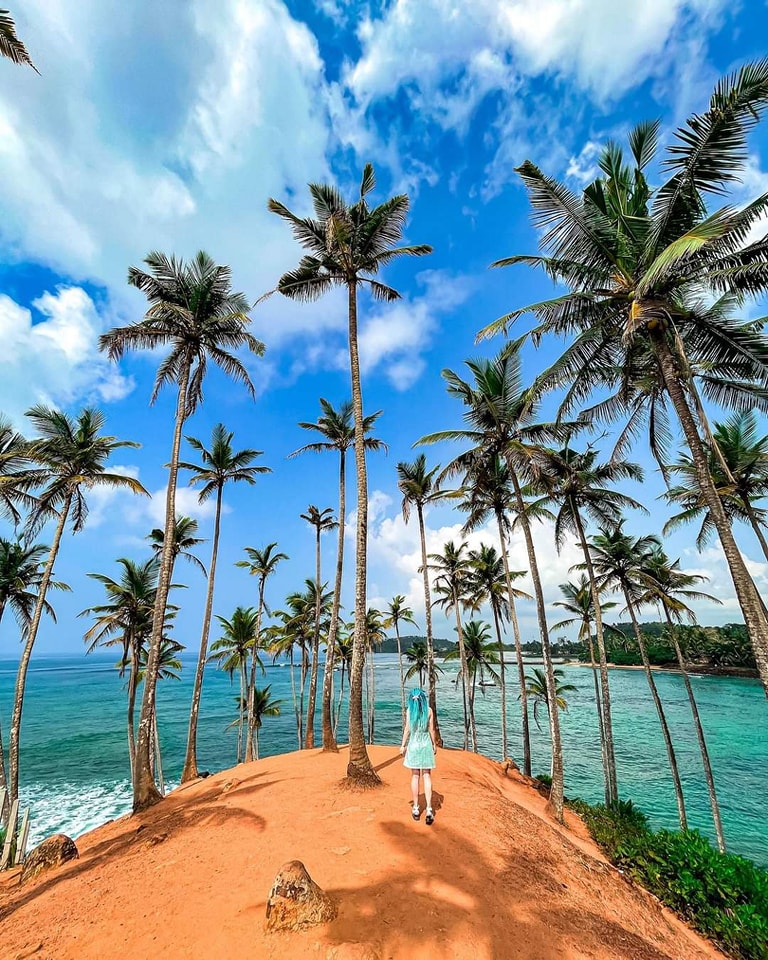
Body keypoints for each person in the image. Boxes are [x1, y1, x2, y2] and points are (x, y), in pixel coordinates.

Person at [400, 687, 436, 825]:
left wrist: (403, 745)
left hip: (414, 746)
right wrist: (434, 744)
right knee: (427, 776)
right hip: (426, 745)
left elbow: (407, 730)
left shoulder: (410, 711)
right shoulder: (429, 711)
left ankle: (415, 808)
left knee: (415, 776)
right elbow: (432, 730)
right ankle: (429, 809)